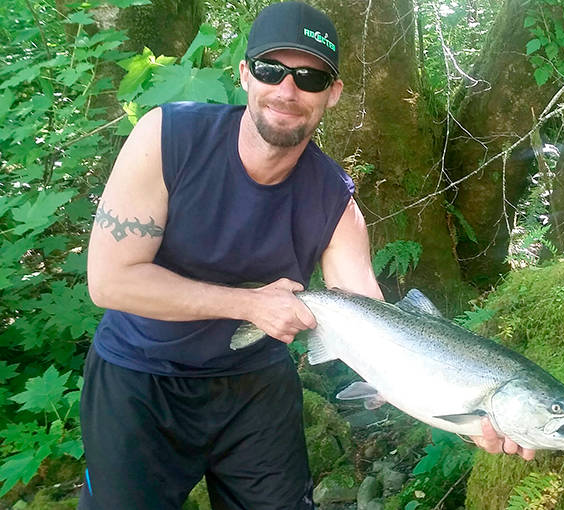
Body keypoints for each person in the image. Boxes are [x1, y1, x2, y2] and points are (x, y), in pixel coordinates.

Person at [80, 2, 533, 509]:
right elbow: (110, 281)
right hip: (141, 376)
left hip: (255, 387)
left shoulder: (334, 200)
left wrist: (471, 413)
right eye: (272, 69)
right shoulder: (167, 138)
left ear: (333, 93)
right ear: (246, 74)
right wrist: (250, 304)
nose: (288, 90)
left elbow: (371, 321)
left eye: (310, 77)